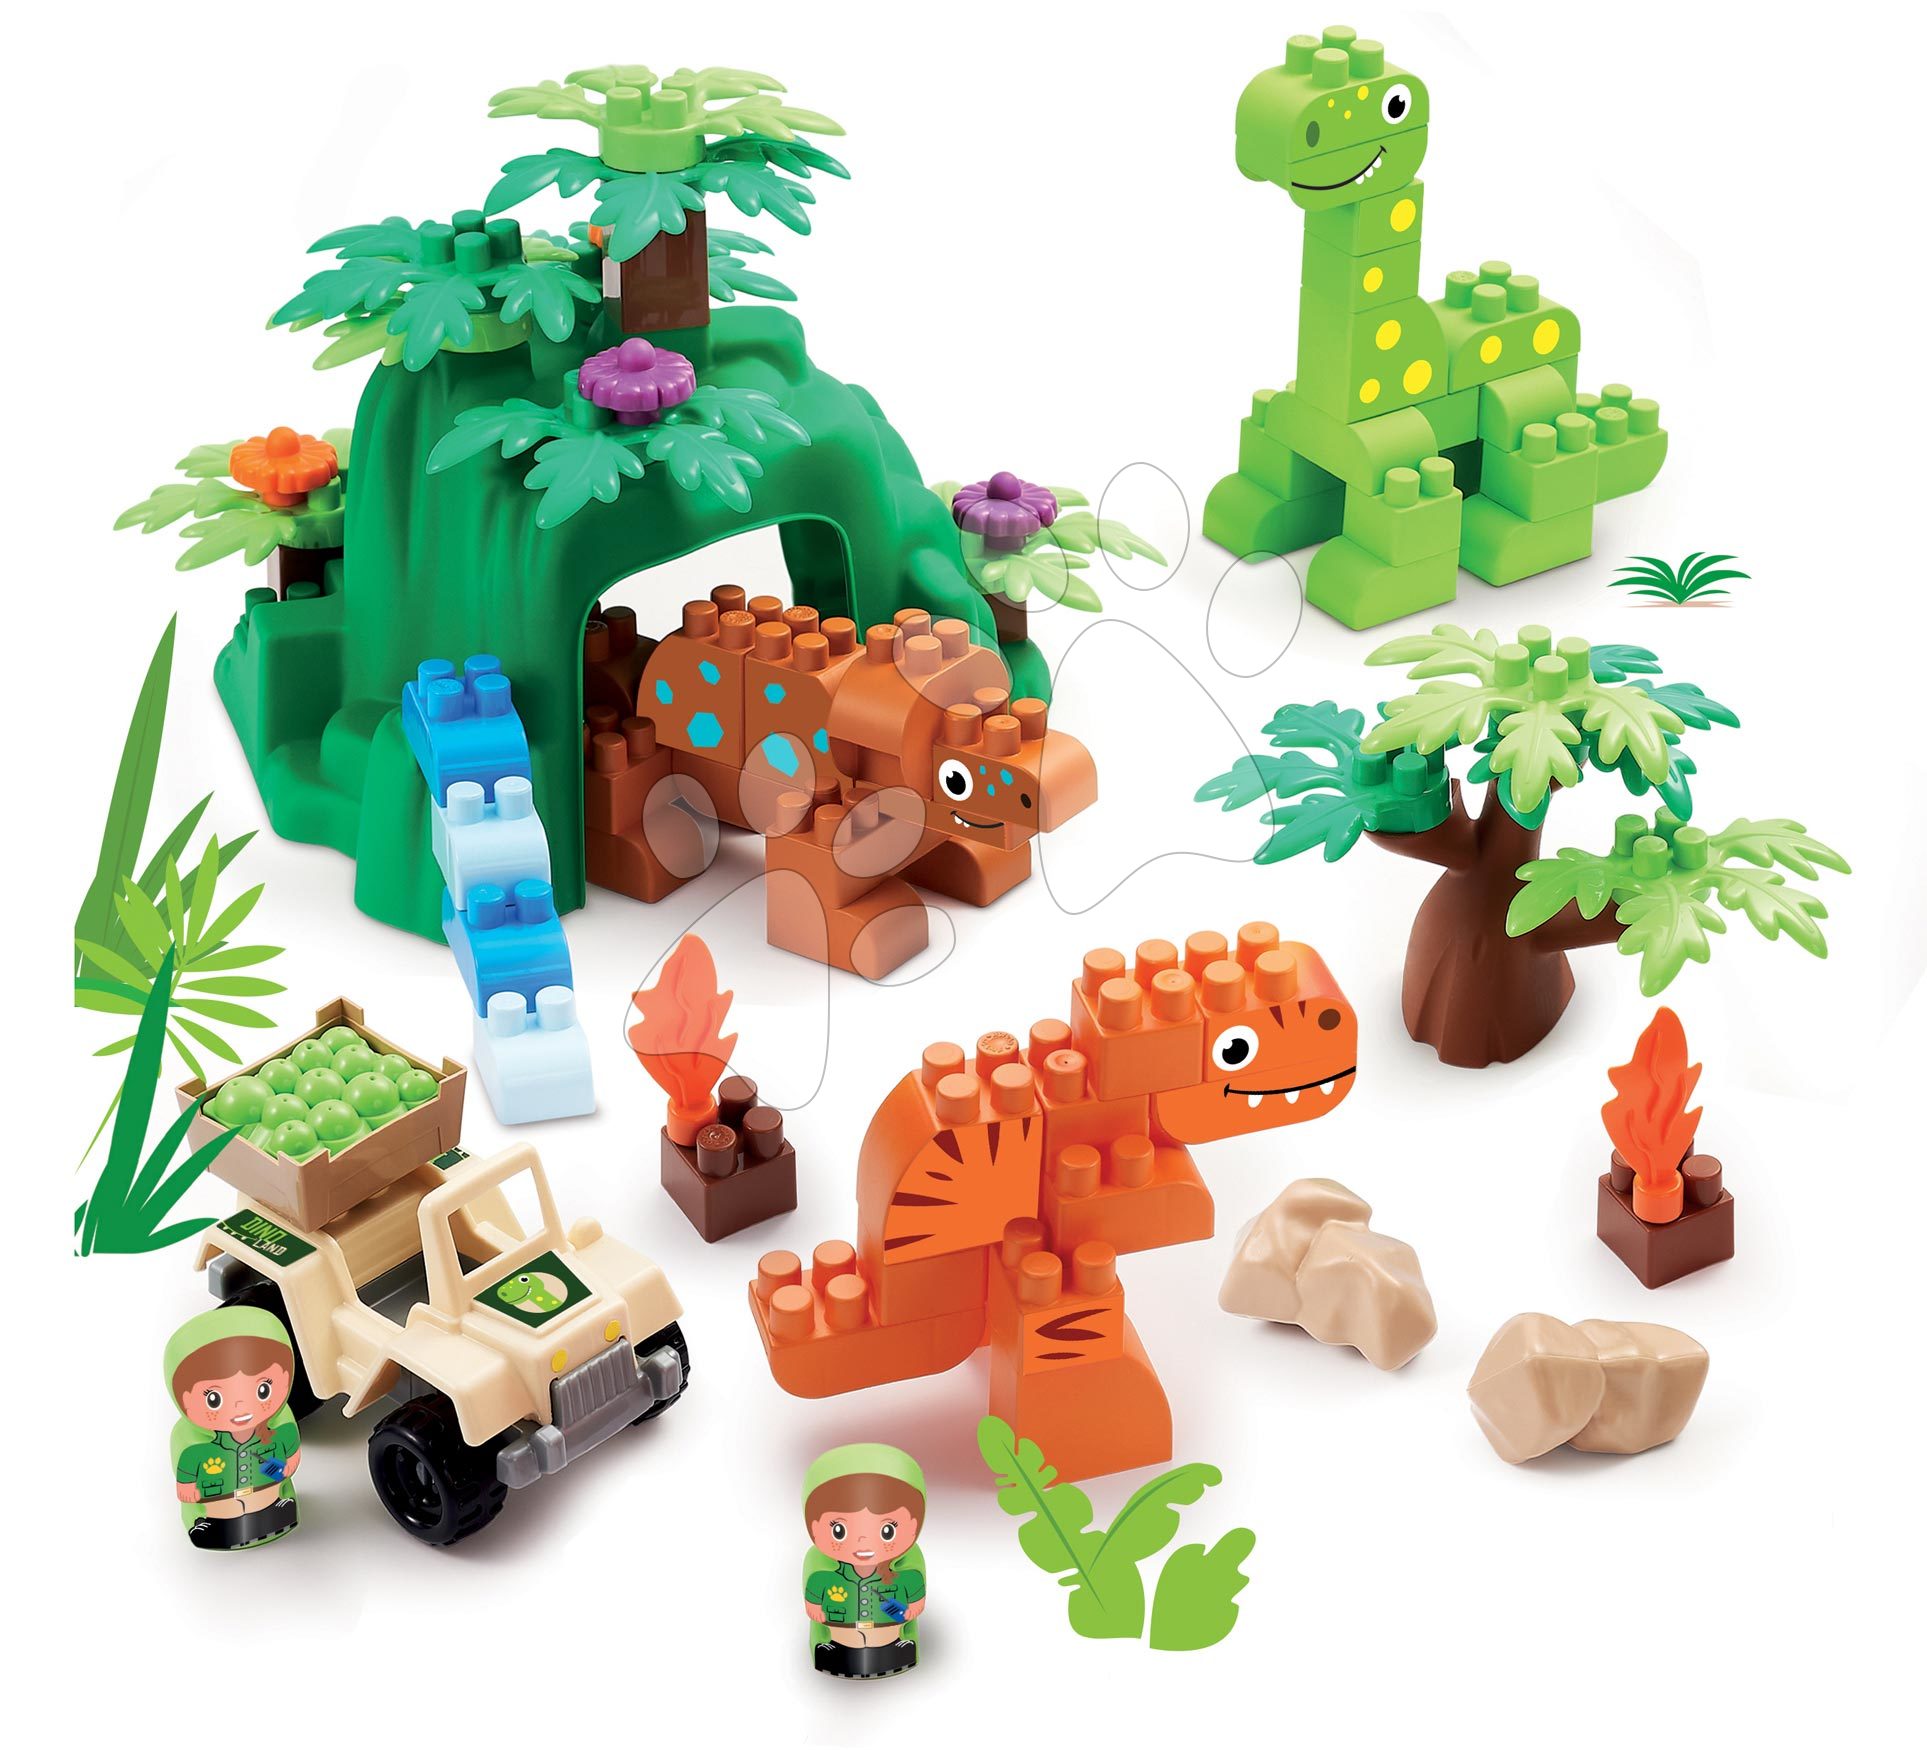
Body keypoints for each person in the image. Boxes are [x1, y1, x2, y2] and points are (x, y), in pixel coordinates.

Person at [164, 1306, 302, 1551]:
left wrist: (291, 1461)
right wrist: (186, 1488)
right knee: (223, 1509)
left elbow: (290, 1445)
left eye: (263, 1390)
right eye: (214, 1399)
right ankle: (216, 1526)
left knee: (268, 1500)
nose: (240, 1407)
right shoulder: (194, 1447)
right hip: (219, 1496)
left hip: (266, 1485)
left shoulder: (281, 1427)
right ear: (182, 1399)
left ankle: (273, 1512)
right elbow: (186, 1468)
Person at [801, 1443, 927, 1678]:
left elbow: (914, 1585)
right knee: (839, 1645)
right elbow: (815, 1588)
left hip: (887, 1627)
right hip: (842, 1629)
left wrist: (916, 1604)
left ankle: (895, 1651)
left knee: (891, 1642)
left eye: (887, 1531)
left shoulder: (907, 1566)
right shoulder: (822, 1570)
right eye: (839, 1531)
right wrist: (814, 1607)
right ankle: (837, 1653)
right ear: (814, 1526)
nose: (863, 1543)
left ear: (913, 1525)